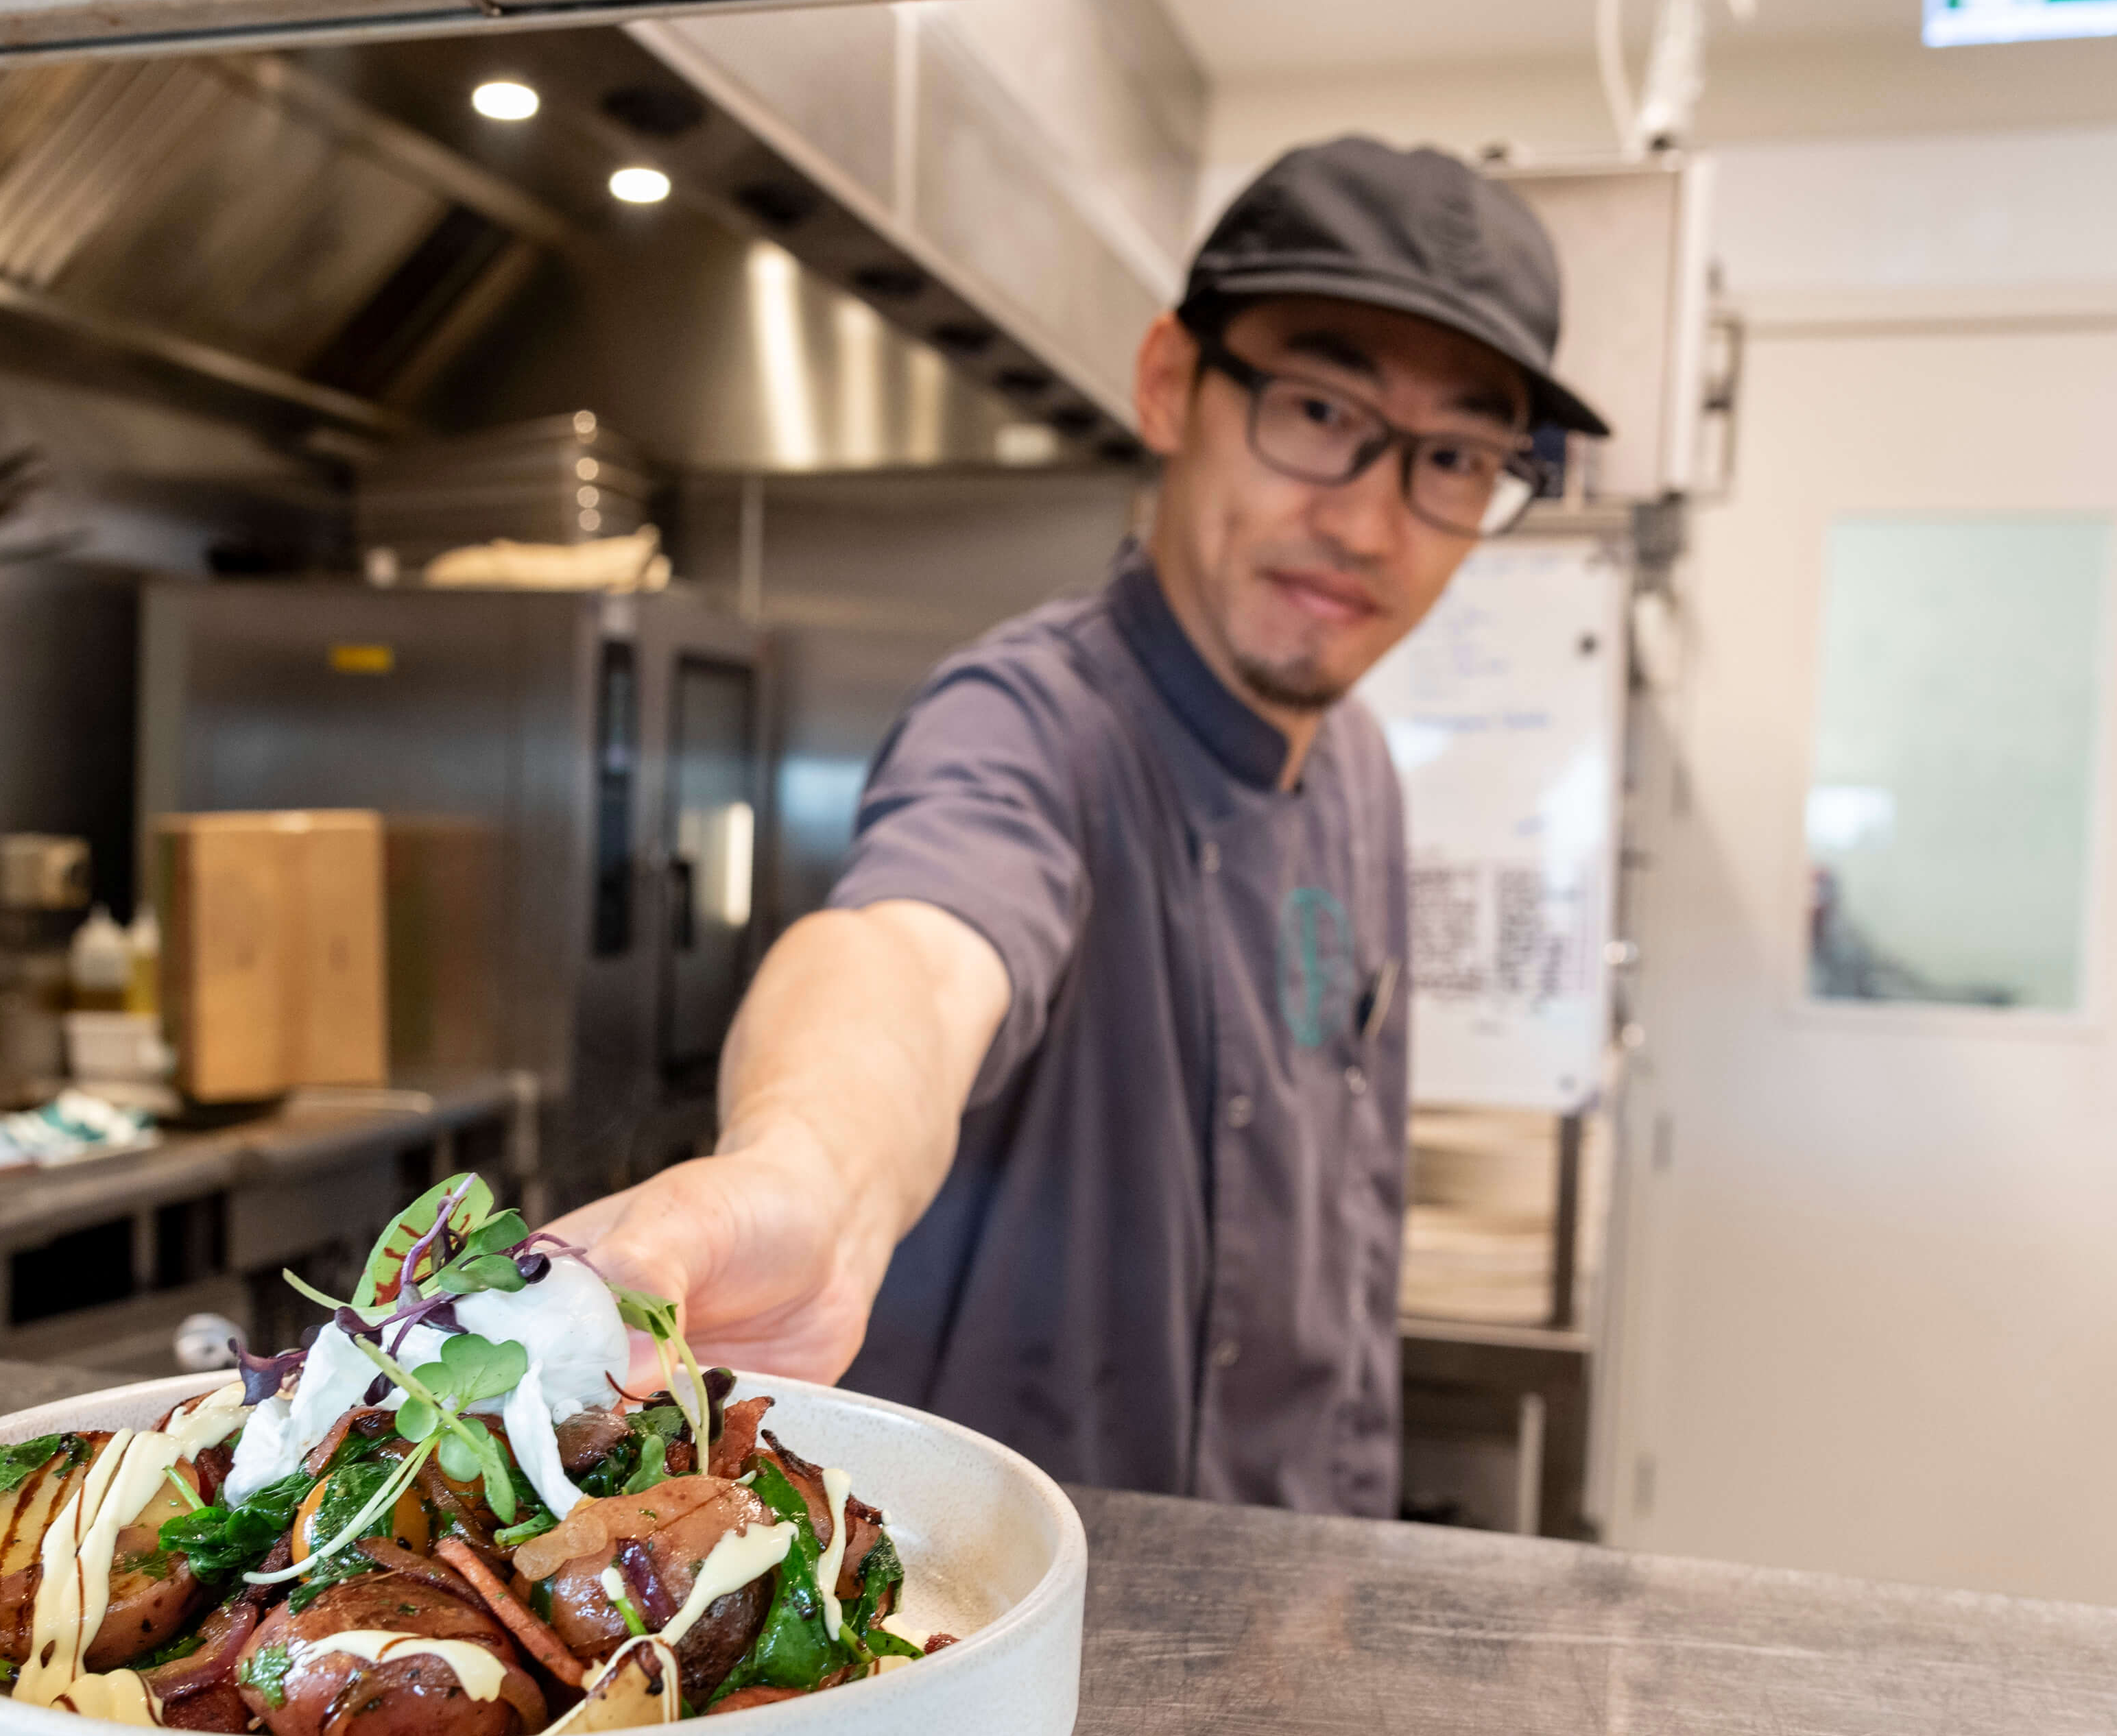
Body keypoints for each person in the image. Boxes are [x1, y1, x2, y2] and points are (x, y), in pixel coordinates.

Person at [546, 137, 1610, 1514]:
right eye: (1318, 410)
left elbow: (1342, 1234)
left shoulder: (1356, 766)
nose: (1366, 522)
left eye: (1454, 457)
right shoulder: (1028, 721)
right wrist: (805, 1167)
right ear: (1169, 383)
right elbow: (913, 952)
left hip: (1289, 1576)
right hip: (1025, 1592)